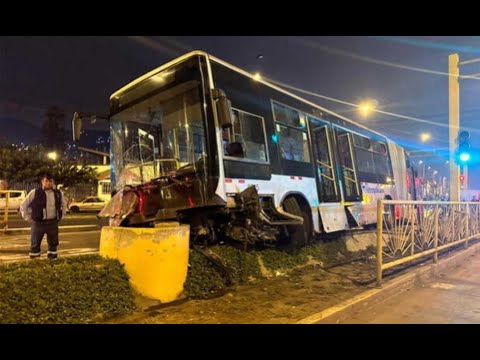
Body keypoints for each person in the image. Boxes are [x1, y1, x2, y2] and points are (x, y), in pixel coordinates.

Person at [20, 173, 67, 260]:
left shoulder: (58, 193)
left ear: (53, 182)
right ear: (42, 182)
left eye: (50, 181)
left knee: (53, 244)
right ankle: (35, 264)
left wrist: (61, 216)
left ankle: (52, 262)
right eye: (46, 181)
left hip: (52, 223)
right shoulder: (35, 192)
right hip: (38, 223)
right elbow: (23, 205)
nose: (48, 183)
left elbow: (64, 205)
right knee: (35, 244)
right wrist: (28, 218)